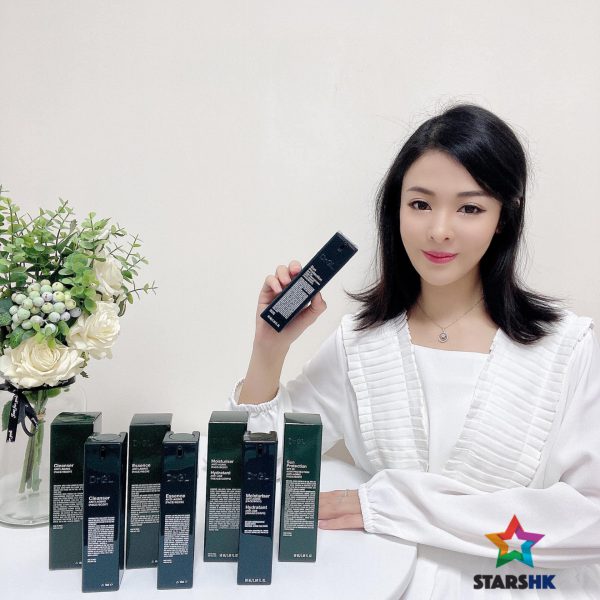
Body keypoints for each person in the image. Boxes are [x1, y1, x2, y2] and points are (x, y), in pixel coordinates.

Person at [229, 104, 600, 598]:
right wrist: (268, 349)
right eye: (421, 204)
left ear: (503, 218)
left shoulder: (565, 348)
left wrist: (390, 503)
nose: (439, 229)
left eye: (469, 208)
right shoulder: (363, 343)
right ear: (396, 209)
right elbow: (253, 471)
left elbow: (589, 521)